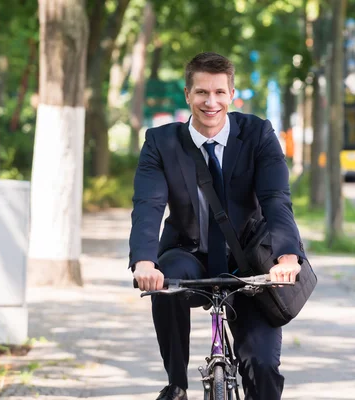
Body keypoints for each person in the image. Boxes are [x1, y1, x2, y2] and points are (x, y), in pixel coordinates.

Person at [129, 52, 306, 400]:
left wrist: (287, 255)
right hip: (189, 252)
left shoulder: (258, 134)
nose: (211, 102)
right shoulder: (161, 143)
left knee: (263, 367)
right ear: (187, 94)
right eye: (202, 93)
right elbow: (148, 205)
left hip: (251, 260)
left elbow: (275, 199)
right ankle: (176, 384)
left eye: (220, 93)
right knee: (165, 283)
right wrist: (144, 262)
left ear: (231, 93)